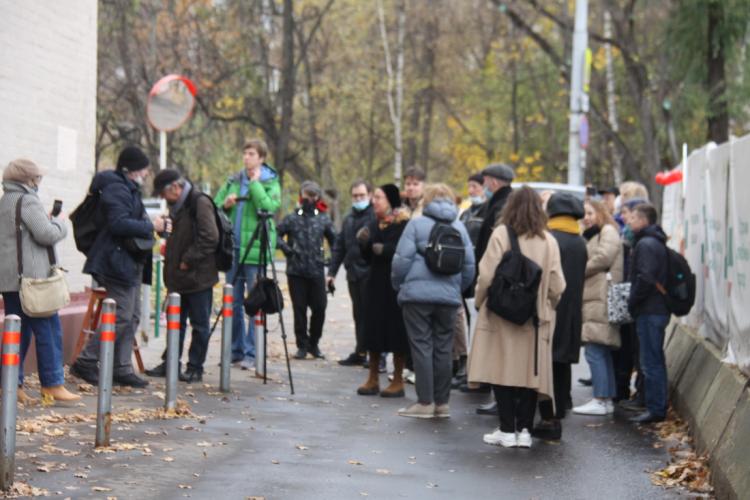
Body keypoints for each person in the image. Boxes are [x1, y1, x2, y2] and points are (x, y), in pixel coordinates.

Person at [468, 186, 565, 448]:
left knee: (501, 370)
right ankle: (524, 430)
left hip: (502, 315)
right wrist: (547, 305)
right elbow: (558, 284)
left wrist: (480, 302)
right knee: (529, 374)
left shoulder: (501, 234)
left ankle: (506, 429)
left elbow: (486, 274)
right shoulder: (548, 240)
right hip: (534, 319)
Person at [71, 146, 168, 388]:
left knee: (131, 315)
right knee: (121, 316)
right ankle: (86, 361)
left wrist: (155, 224)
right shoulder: (116, 188)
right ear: (132, 169)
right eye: (144, 168)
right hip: (114, 261)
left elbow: (134, 219)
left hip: (127, 260)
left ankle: (121, 367)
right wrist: (150, 227)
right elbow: (118, 223)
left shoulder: (127, 187)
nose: (146, 173)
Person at [391, 183, 475, 418]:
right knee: (444, 349)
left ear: (426, 201)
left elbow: (400, 262)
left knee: (421, 347)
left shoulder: (416, 225)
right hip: (449, 298)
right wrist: (457, 289)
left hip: (417, 297)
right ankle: (442, 403)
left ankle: (425, 402)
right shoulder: (459, 227)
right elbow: (469, 266)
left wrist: (399, 286)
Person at [0, 159, 81, 404]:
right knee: (48, 328)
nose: (39, 182)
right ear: (30, 179)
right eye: (38, 178)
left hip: (11, 280)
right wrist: (60, 223)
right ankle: (53, 383)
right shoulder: (28, 200)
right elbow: (46, 234)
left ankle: (11, 385)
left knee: (18, 332)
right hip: (32, 280)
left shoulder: (6, 200)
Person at [144, 169, 219, 383]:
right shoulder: (178, 206)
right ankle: (170, 363)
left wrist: (188, 259)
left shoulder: (199, 202)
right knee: (175, 322)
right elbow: (181, 236)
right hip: (179, 276)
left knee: (199, 323)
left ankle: (195, 367)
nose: (162, 199)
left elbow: (210, 237)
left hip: (197, 277)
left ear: (175, 188)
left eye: (163, 194)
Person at [214, 138, 281, 370]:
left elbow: (269, 207)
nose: (247, 158)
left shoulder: (270, 181)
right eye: (245, 153)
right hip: (233, 249)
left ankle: (253, 353)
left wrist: (254, 185)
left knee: (254, 303)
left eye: (251, 154)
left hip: (256, 251)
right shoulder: (234, 179)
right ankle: (236, 350)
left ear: (261, 158)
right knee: (232, 302)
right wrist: (226, 204)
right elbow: (215, 204)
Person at [533, 193, 587, 440]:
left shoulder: (551, 239)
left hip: (554, 304)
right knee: (563, 358)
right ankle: (564, 400)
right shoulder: (579, 240)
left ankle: (550, 410)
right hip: (573, 306)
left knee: (550, 359)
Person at [464, 163, 514, 403]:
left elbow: (493, 247)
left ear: (493, 182)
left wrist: (483, 281)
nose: (483, 188)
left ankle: (497, 394)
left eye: (484, 183)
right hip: (497, 279)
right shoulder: (499, 203)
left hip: (496, 281)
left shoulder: (502, 206)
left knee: (495, 340)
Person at [356, 184, 411, 398]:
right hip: (375, 284)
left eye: (379, 197)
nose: (374, 201)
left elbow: (404, 251)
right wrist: (364, 245)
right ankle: (372, 378)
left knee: (396, 332)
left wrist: (386, 250)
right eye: (374, 197)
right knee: (373, 330)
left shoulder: (403, 223)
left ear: (390, 200)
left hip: (395, 285)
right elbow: (368, 258)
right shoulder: (374, 223)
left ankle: (397, 380)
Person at [573, 200, 623, 416]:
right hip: (594, 296)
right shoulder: (596, 233)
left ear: (601, 212)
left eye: (590, 213)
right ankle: (606, 398)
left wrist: (578, 269)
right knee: (599, 349)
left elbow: (603, 258)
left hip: (600, 296)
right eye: (584, 214)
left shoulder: (608, 231)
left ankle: (600, 398)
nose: (586, 217)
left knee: (595, 350)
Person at [277, 181, 336, 360]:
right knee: (299, 309)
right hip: (296, 272)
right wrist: (287, 250)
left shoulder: (323, 218)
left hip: (316, 271)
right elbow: (275, 234)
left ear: (317, 197)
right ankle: (302, 345)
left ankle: (314, 344)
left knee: (320, 307)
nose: (308, 199)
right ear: (301, 196)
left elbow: (335, 241)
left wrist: (332, 260)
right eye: (305, 195)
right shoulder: (292, 218)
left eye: (312, 196)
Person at [627, 203, 670, 424]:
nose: (628, 221)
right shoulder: (656, 241)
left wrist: (631, 301)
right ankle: (657, 406)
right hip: (656, 309)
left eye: (633, 217)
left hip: (650, 310)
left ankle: (655, 409)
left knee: (650, 361)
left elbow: (645, 278)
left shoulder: (645, 244)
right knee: (655, 360)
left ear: (644, 220)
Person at [327, 180, 376, 367]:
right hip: (353, 273)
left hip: (370, 273)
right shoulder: (349, 218)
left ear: (369, 195)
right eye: (355, 196)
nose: (358, 199)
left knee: (372, 315)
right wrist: (332, 272)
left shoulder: (374, 217)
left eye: (362, 195)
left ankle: (375, 354)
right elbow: (339, 246)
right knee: (359, 313)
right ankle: (361, 350)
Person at [459, 172, 487, 248]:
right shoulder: (465, 213)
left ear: (484, 188)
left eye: (474, 186)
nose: (470, 191)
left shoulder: (489, 211)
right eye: (469, 187)